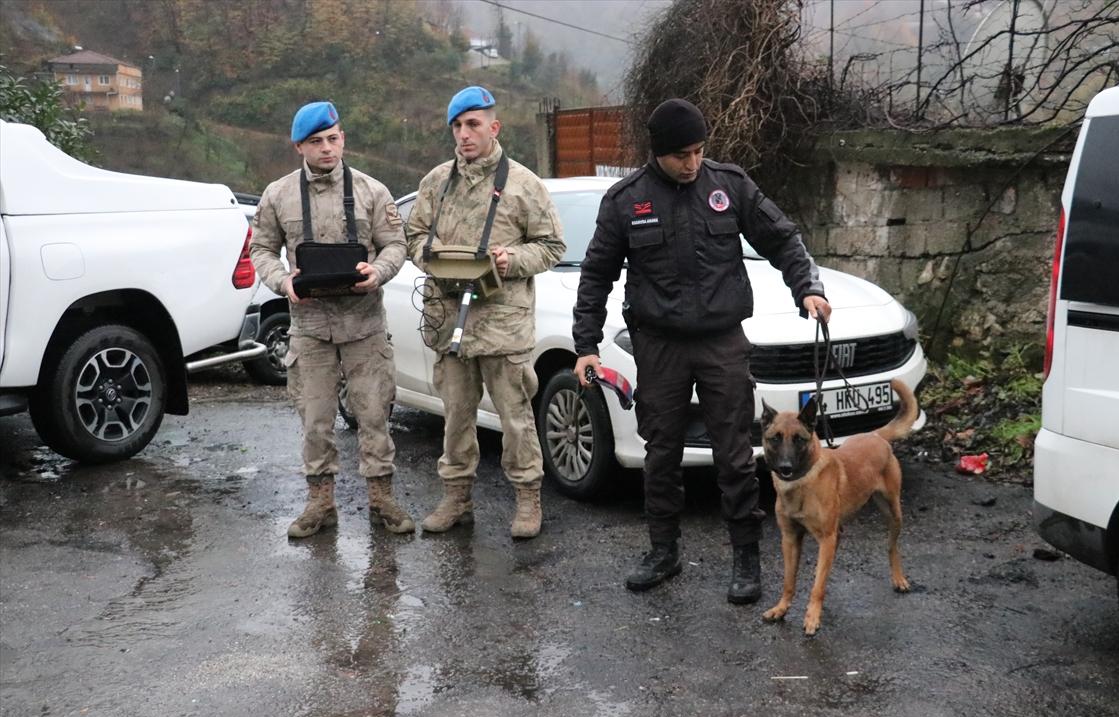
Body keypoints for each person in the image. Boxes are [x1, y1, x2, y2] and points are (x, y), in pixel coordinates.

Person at [572, 98, 832, 603]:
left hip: (721, 343)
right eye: (681, 155)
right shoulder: (626, 200)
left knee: (734, 455)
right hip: (660, 346)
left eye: (698, 151)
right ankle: (663, 552)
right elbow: (596, 276)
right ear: (658, 153)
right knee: (661, 453)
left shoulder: (728, 185)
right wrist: (586, 346)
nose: (692, 163)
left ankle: (746, 558)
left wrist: (808, 287)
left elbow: (782, 239)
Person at [407, 86, 566, 539]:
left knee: (515, 418)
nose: (464, 134)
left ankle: (527, 498)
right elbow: (413, 235)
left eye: (473, 124)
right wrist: (431, 257)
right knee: (455, 416)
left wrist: (509, 261)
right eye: (457, 126)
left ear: (494, 127)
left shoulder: (522, 183)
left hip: (503, 323)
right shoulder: (437, 182)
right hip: (449, 323)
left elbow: (553, 246)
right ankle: (456, 497)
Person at [250, 101, 413, 539]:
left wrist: (377, 272)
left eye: (334, 138)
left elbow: (396, 244)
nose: (327, 148)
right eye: (316, 141)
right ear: (299, 146)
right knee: (316, 420)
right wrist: (283, 281)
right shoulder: (278, 195)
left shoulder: (371, 192)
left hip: (364, 325)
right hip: (310, 327)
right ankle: (320, 503)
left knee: (374, 414)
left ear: (343, 138)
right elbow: (261, 249)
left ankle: (382, 500)